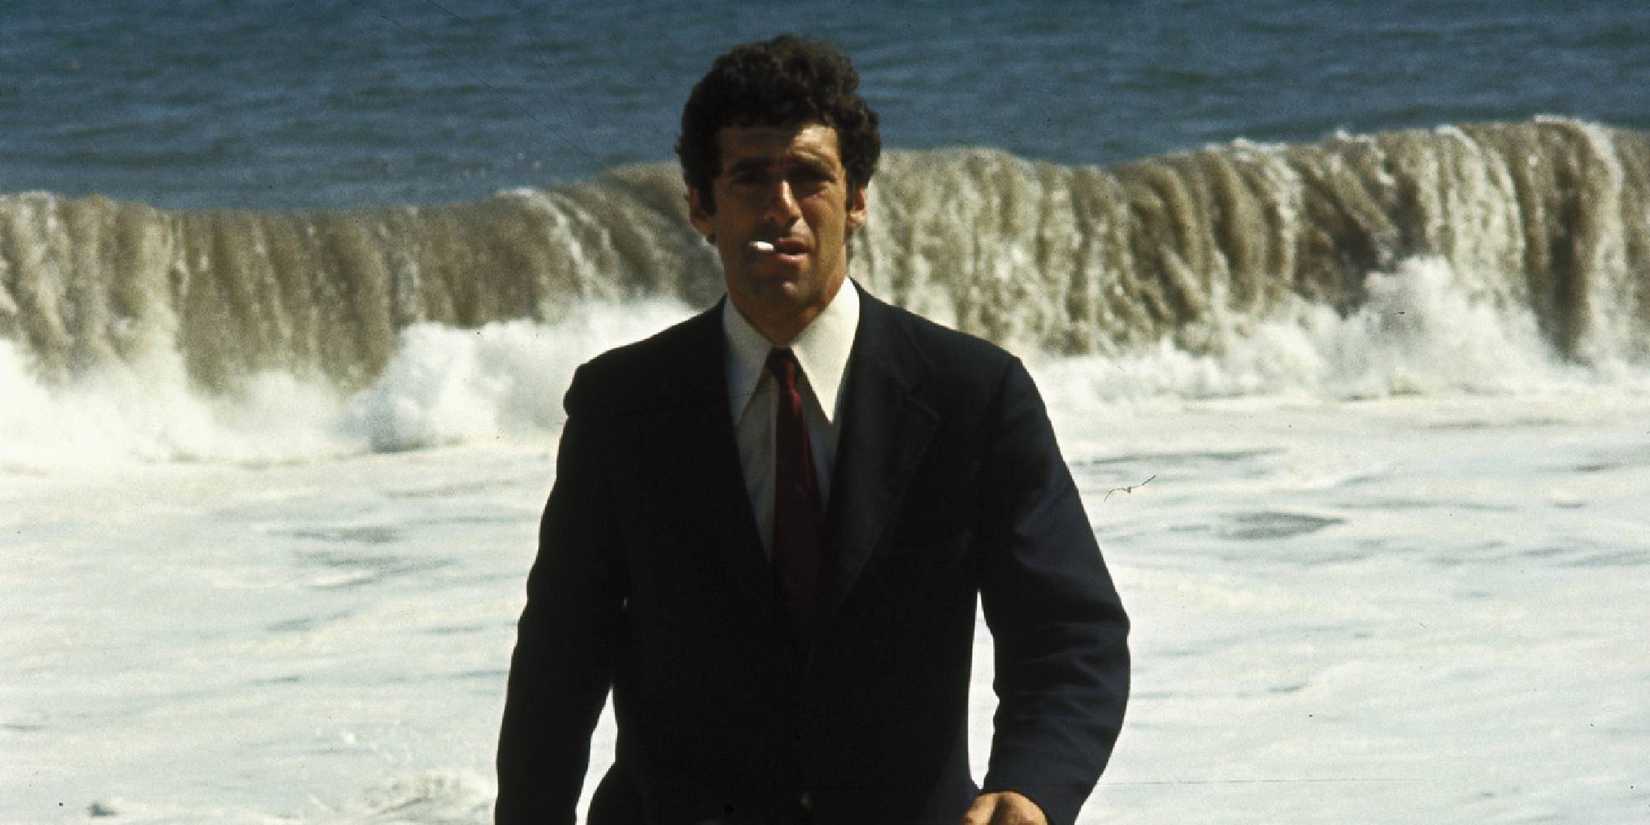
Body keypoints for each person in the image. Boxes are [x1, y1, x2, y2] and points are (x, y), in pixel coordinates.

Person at [495, 34, 1129, 825]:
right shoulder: (623, 405)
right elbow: (561, 656)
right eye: (751, 177)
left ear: (857, 199)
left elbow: (1070, 633)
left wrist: (1031, 784)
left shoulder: (973, 396)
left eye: (810, 177)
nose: (782, 206)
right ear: (700, 205)